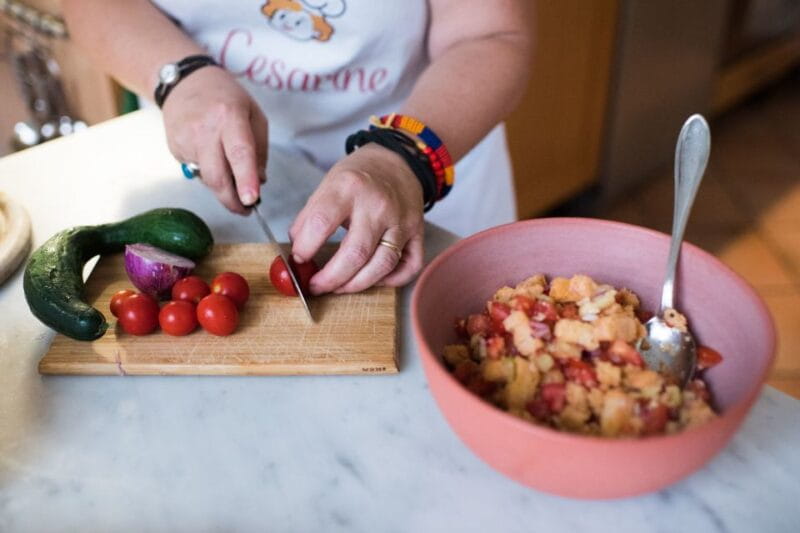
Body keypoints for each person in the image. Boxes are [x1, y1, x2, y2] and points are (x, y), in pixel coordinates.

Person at [63, 0, 531, 295]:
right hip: (204, 155)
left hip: (424, 148)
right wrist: (178, 76)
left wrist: (401, 158)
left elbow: (490, 33)